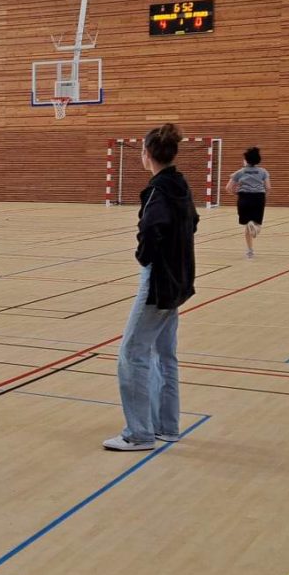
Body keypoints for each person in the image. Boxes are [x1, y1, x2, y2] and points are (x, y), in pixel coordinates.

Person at [105, 123, 199, 452]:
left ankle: (139, 434)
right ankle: (167, 426)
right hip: (180, 279)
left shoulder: (158, 191)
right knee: (164, 354)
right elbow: (193, 222)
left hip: (159, 282)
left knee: (131, 354)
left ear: (146, 154)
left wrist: (144, 256)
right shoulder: (180, 185)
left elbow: (151, 229)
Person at [225, 147, 269, 259]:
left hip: (244, 198)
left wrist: (237, 194)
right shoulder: (263, 172)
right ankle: (253, 227)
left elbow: (228, 188)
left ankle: (250, 251)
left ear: (246, 160)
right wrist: (264, 196)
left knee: (247, 225)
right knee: (257, 225)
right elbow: (268, 187)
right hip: (258, 197)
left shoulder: (239, 172)